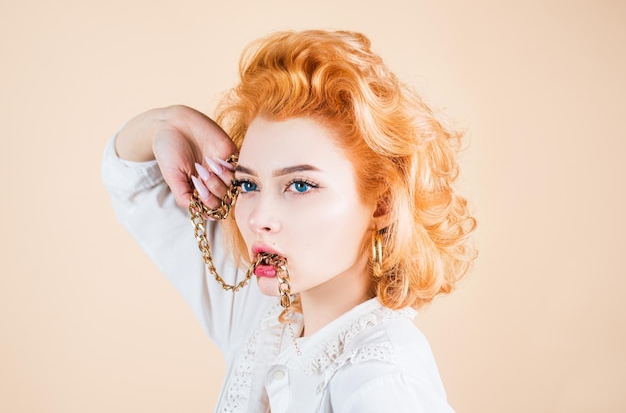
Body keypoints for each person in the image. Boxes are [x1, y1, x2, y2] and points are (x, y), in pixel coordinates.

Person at [102, 29, 476, 412]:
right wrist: (170, 122)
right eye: (248, 183)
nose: (259, 218)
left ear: (381, 205)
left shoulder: (383, 383)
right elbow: (133, 181)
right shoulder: (264, 318)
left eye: (299, 185)